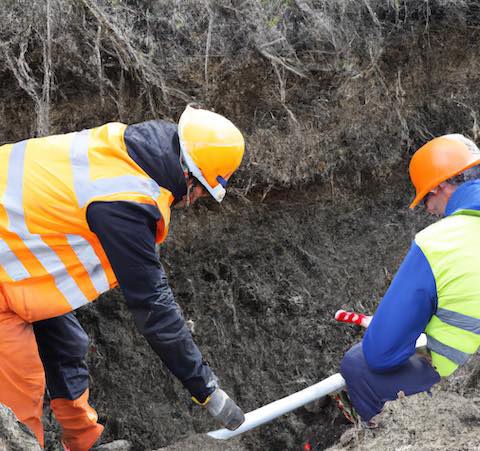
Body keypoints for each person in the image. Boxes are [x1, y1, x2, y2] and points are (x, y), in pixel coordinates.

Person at [0, 104, 246, 450]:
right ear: (189, 176)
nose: (195, 200)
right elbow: (153, 306)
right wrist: (205, 389)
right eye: (203, 189)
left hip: (19, 252)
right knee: (20, 391)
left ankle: (85, 442)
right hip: (7, 265)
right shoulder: (125, 203)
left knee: (66, 343)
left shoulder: (127, 148)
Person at [337, 133, 480, 425]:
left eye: (427, 195)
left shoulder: (437, 243)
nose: (428, 209)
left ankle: (391, 435)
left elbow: (381, 355)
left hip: (466, 375)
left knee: (358, 364)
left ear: (441, 185)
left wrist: (401, 324)